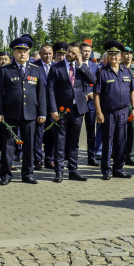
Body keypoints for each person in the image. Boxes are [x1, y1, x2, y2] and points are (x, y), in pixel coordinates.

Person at [0, 36, 46, 185]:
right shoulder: (6, 70)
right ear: (13, 53)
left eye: (25, 51)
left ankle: (28, 174)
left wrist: (42, 112)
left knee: (29, 145)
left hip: (30, 113)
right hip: (10, 113)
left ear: (28, 52)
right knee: (8, 145)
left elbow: (41, 92)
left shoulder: (35, 69)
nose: (22, 54)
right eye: (19, 51)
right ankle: (6, 174)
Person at [46, 41, 96, 183]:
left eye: (74, 53)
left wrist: (81, 65)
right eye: (69, 51)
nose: (69, 54)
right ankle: (59, 172)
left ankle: (73, 170)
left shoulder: (81, 68)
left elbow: (93, 80)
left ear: (78, 54)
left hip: (77, 109)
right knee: (60, 141)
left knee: (74, 142)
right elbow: (50, 89)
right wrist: (53, 109)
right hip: (61, 111)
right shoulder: (56, 68)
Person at [93, 41, 134, 180]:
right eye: (111, 54)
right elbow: (96, 94)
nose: (113, 57)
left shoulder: (127, 71)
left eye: (116, 54)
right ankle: (106, 170)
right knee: (108, 141)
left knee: (121, 141)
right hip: (108, 113)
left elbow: (132, 92)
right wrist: (99, 112)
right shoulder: (102, 72)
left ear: (120, 56)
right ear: (107, 56)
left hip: (124, 112)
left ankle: (118, 168)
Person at [79, 42, 101, 166]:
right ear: (80, 52)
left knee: (91, 131)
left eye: (88, 51)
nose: (86, 53)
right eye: (84, 51)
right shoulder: (76, 65)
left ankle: (91, 156)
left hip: (91, 103)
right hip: (79, 101)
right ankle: (70, 155)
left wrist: (93, 93)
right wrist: (83, 94)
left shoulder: (95, 66)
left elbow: (97, 82)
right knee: (75, 131)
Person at [33, 43, 53, 169]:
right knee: (38, 135)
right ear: (40, 54)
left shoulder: (56, 67)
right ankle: (37, 160)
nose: (47, 56)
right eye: (45, 53)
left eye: (50, 53)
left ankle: (49, 159)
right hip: (38, 105)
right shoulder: (34, 67)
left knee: (51, 134)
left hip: (52, 106)